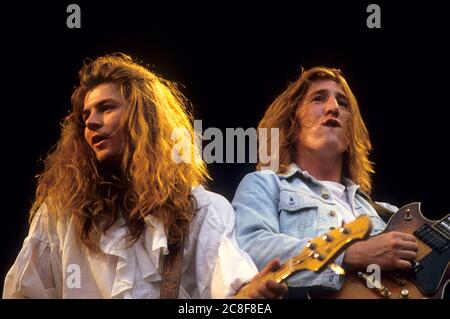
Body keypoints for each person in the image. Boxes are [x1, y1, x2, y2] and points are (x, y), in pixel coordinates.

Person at [3, 53, 287, 299]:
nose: (90, 122)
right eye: (86, 115)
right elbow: (24, 291)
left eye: (106, 108)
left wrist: (250, 295)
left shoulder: (200, 210)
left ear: (144, 118)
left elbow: (228, 281)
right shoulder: (58, 213)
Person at [232, 66, 418, 298]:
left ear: (351, 132)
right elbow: (250, 248)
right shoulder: (265, 184)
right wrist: (349, 253)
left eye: (343, 103)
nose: (333, 108)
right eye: (318, 99)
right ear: (293, 124)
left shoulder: (389, 214)